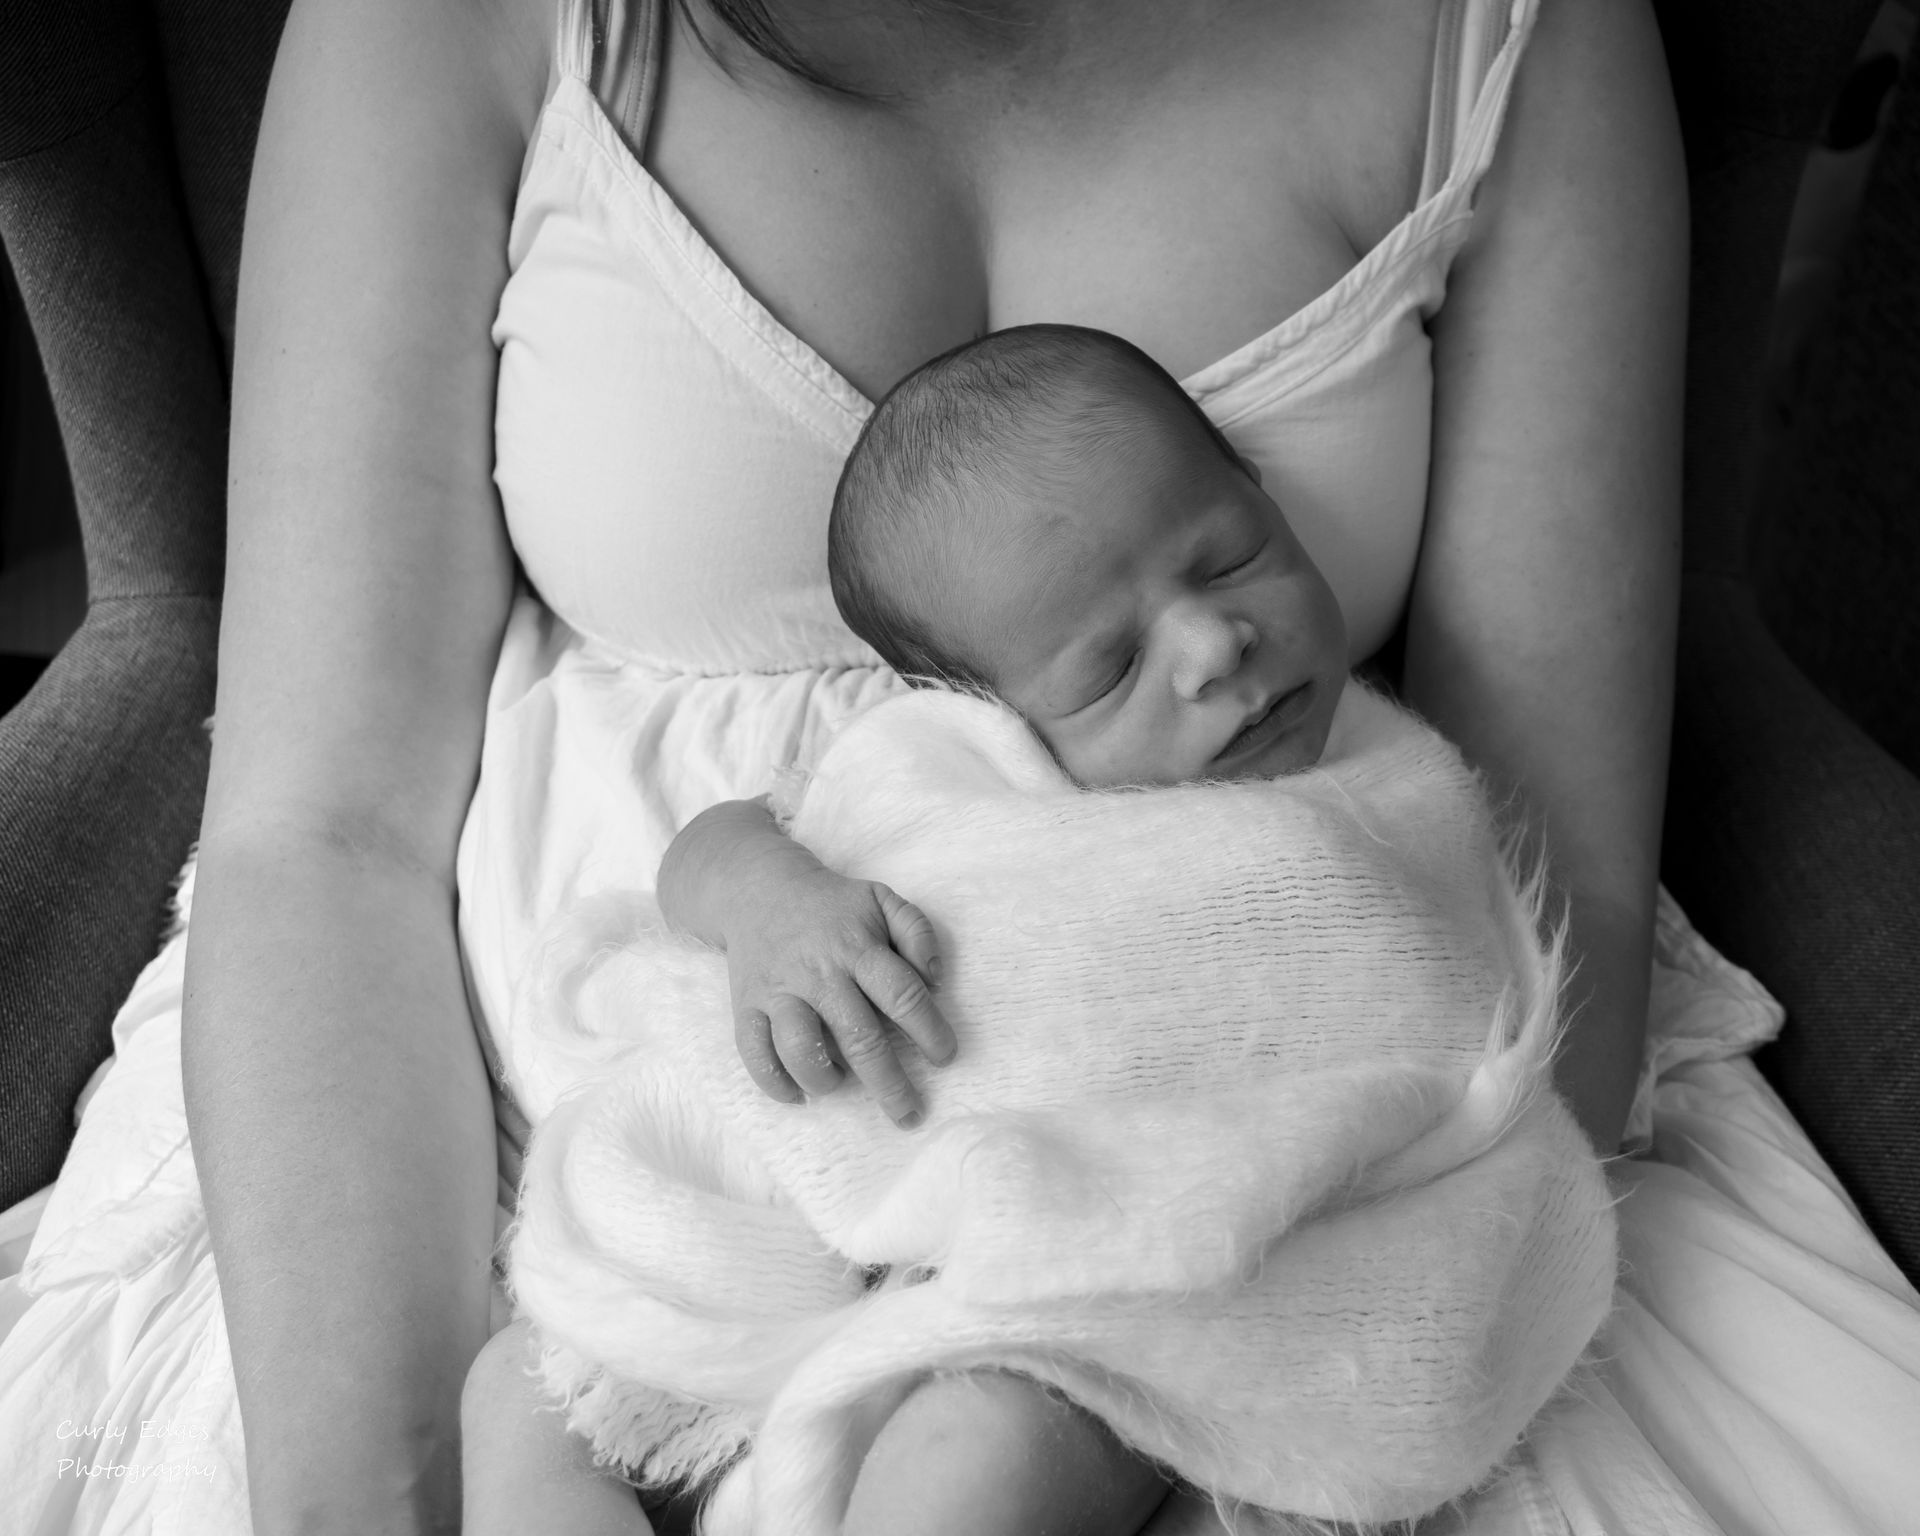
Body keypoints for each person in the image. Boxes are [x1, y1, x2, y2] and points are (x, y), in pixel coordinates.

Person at [2, 0, 1919, 1533]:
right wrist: (366, 1491)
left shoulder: (1513, 32)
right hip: (533, 1159)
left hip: (1271, 1155)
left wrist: (1226, 1400)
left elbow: (1549, 867)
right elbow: (319, 833)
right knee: (532, 1416)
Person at [456, 320, 1595, 1536]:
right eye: (1109, 669)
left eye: (1232, 558)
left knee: (978, 1458)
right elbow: (709, 853)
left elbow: (1422, 1037)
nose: (1214, 646)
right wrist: (767, 905)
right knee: (523, 1391)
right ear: (979, 706)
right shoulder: (930, 774)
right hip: (809, 1239)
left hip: (1092, 1317)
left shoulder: (1382, 800)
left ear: (1262, 493)